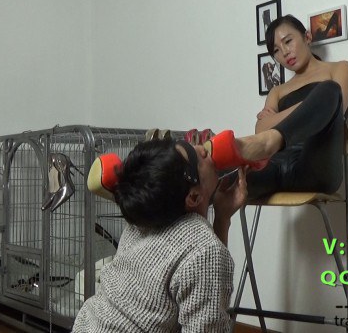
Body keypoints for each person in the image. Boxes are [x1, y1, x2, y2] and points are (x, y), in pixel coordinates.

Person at [73, 138, 248, 333]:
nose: (202, 148)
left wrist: (222, 218)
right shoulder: (205, 249)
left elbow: (204, 274)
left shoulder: (141, 220)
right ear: (193, 197)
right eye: (195, 157)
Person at [201, 15, 348, 199]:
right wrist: (308, 106)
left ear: (307, 37)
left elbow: (338, 108)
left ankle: (270, 142)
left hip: (315, 165)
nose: (285, 53)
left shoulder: (339, 69)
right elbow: (260, 129)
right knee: (213, 180)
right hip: (276, 164)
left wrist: (274, 119)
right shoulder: (277, 91)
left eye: (288, 41)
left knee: (330, 91)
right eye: (276, 51)